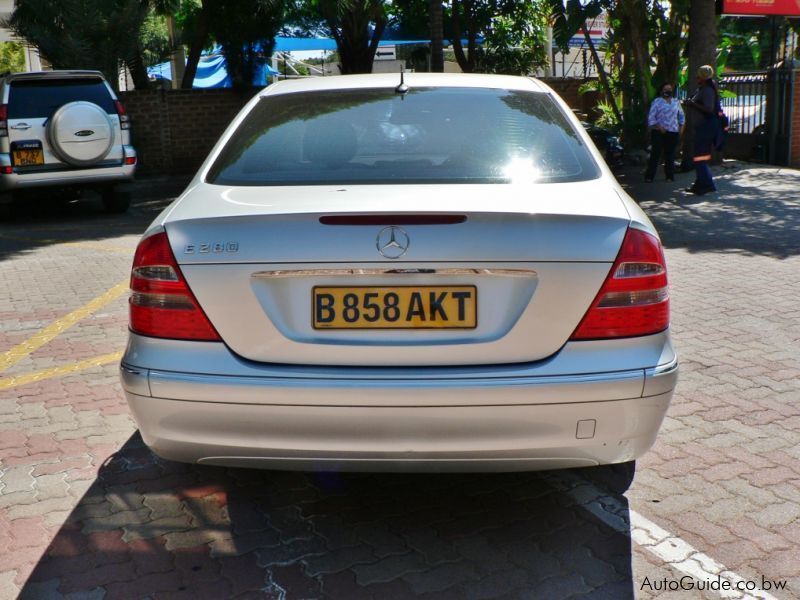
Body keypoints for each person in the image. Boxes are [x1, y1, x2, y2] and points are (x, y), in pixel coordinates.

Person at [682, 65, 718, 195]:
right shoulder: (703, 89)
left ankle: (706, 184)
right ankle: (701, 183)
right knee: (699, 157)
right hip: (703, 127)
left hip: (706, 127)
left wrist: (692, 104)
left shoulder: (707, 90)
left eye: (698, 75)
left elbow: (709, 108)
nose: (696, 77)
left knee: (699, 157)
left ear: (702, 77)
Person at [645, 82, 685, 182]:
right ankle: (649, 176)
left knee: (670, 155)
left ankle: (669, 176)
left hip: (673, 132)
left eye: (670, 89)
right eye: (666, 89)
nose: (668, 91)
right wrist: (659, 127)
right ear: (661, 91)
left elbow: (681, 116)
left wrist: (681, 129)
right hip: (659, 132)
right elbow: (651, 117)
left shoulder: (676, 102)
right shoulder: (657, 102)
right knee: (655, 154)